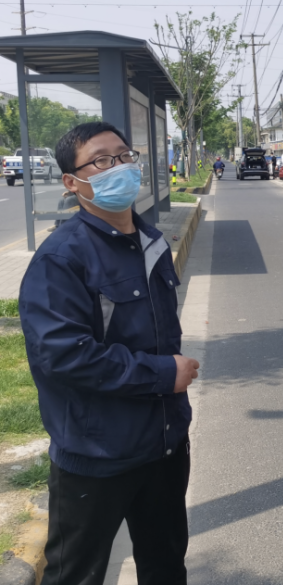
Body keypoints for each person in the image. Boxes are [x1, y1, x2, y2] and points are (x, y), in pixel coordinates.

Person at [19, 121, 200, 585]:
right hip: (96, 455)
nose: (119, 167)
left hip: (163, 446)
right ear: (72, 182)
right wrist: (163, 375)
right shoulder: (62, 258)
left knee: (165, 567)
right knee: (76, 575)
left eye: (125, 156)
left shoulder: (152, 242)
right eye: (102, 160)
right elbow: (63, 355)